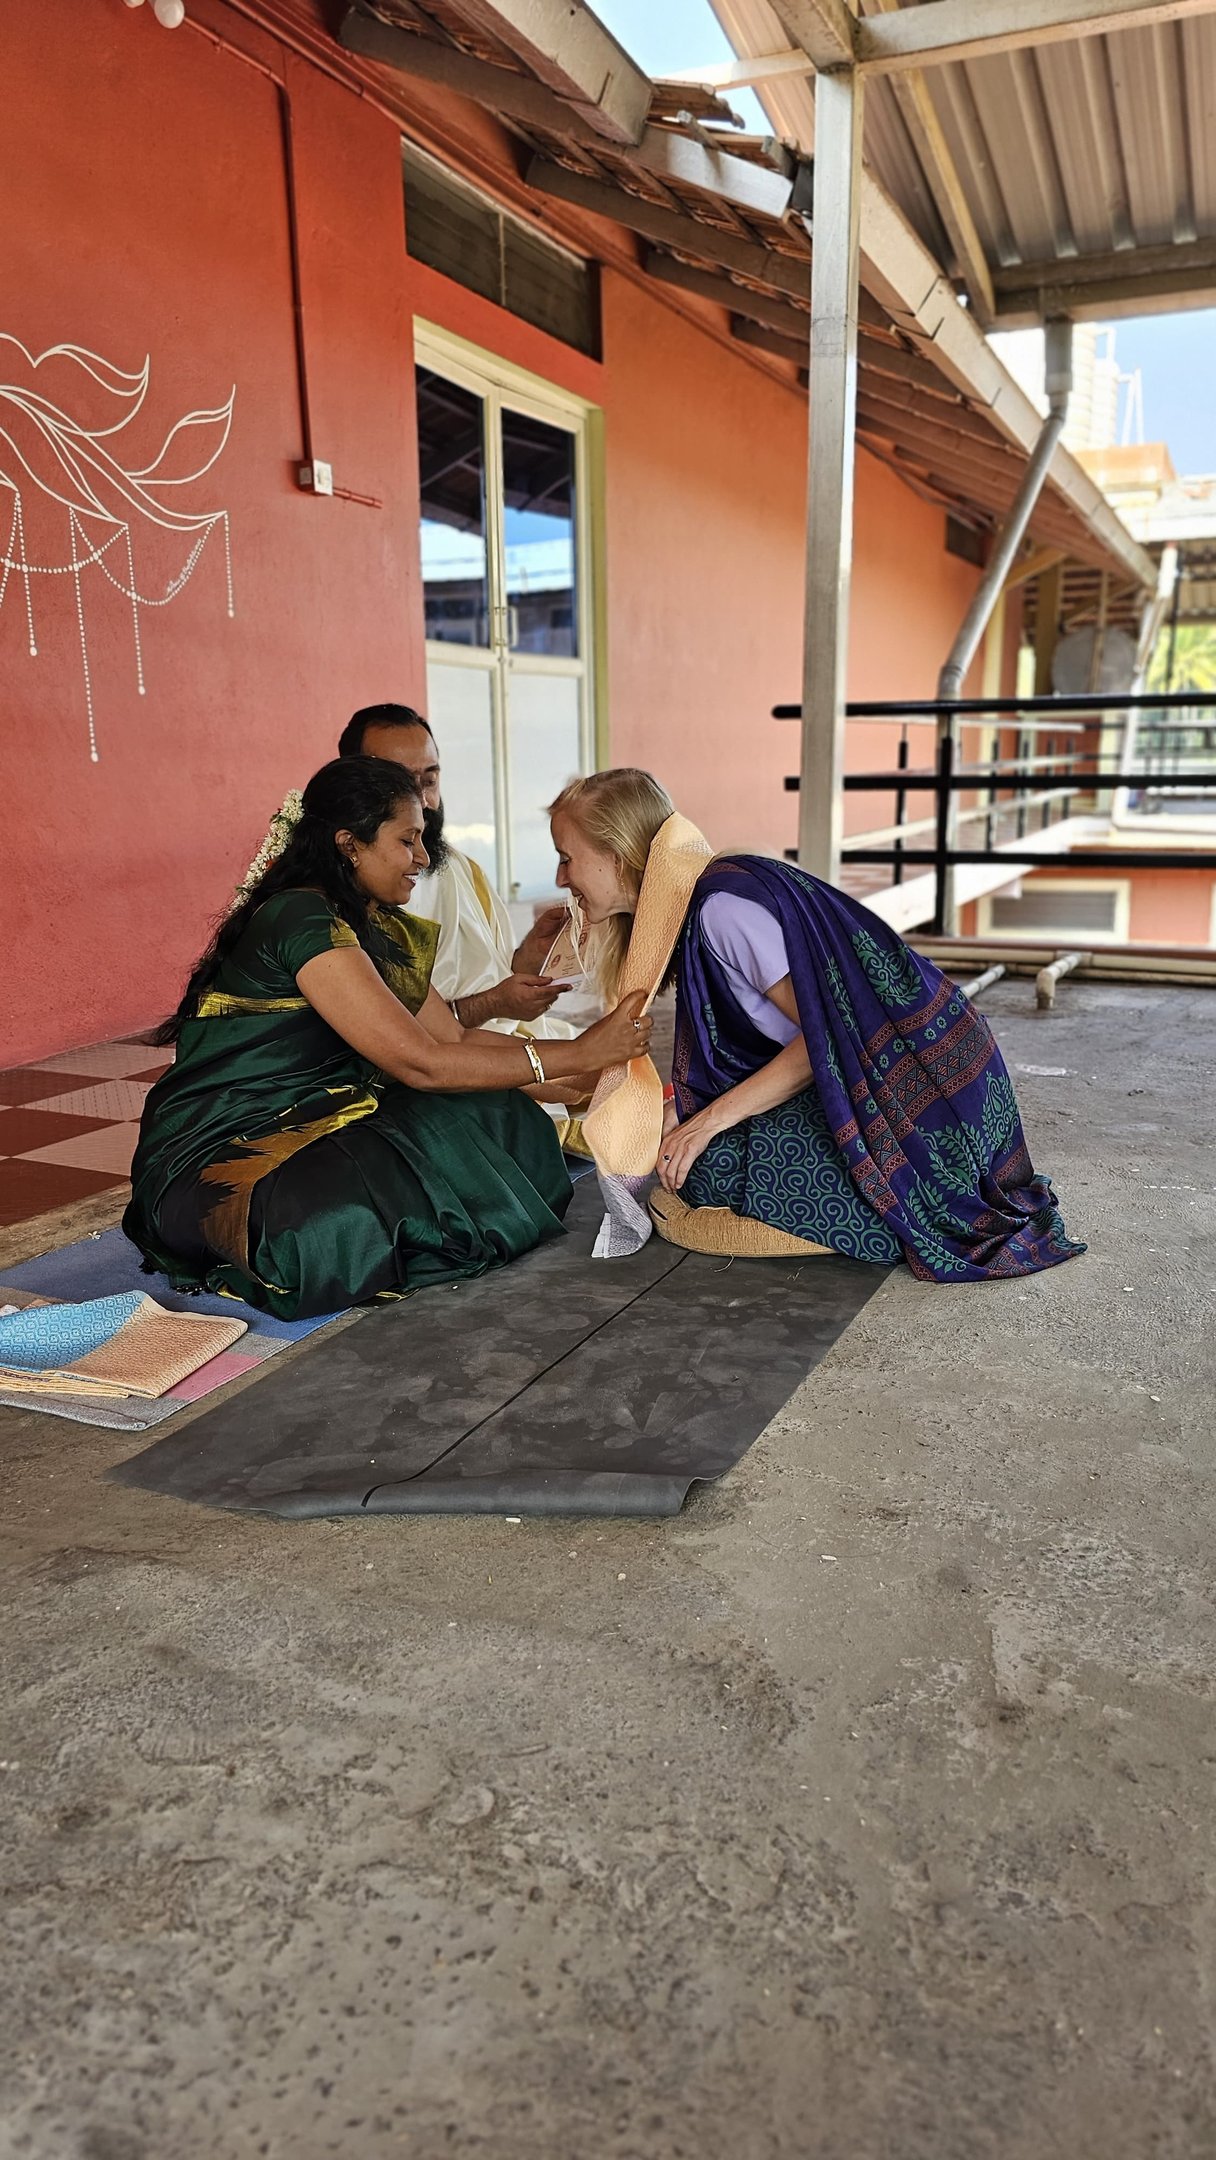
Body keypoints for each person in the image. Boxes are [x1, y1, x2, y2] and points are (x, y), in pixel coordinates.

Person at [123, 759, 650, 1319]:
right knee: (324, 1227)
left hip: (326, 1113)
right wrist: (577, 1054)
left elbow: (450, 1037)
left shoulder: (372, 922)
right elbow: (422, 1064)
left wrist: (577, 1079)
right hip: (229, 1146)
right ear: (350, 845)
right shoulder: (301, 918)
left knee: (499, 1115)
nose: (423, 859)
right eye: (407, 840)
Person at [549, 769, 1085, 1283]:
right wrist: (688, 1109)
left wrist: (706, 1120)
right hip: (906, 1078)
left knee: (705, 1164)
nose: (560, 878)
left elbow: (825, 1042)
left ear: (617, 857)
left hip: (925, 1100)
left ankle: (901, 1212)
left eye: (567, 858)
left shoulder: (720, 911)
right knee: (681, 1139)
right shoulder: (705, 898)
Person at [338, 703, 573, 1036]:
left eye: (429, 780)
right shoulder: (344, 898)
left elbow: (496, 979)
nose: (423, 802)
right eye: (401, 784)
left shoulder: (461, 870)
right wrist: (494, 1005)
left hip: (501, 1042)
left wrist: (532, 955)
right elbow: (405, 1040)